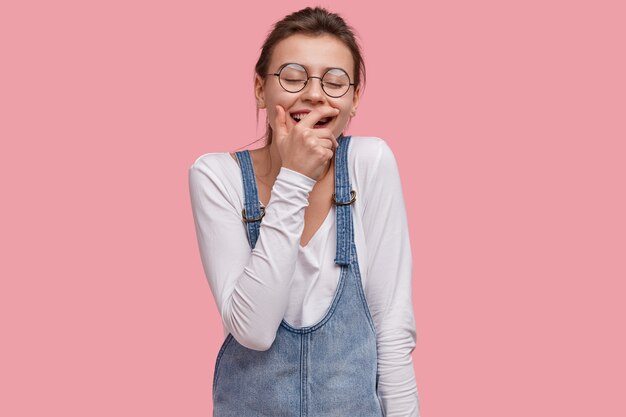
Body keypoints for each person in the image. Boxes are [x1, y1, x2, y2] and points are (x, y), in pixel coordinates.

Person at [189, 7, 420, 416]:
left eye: (334, 82)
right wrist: (294, 178)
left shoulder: (370, 163)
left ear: (354, 100)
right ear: (261, 89)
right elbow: (254, 331)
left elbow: (392, 326)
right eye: (294, 77)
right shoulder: (215, 175)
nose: (314, 94)